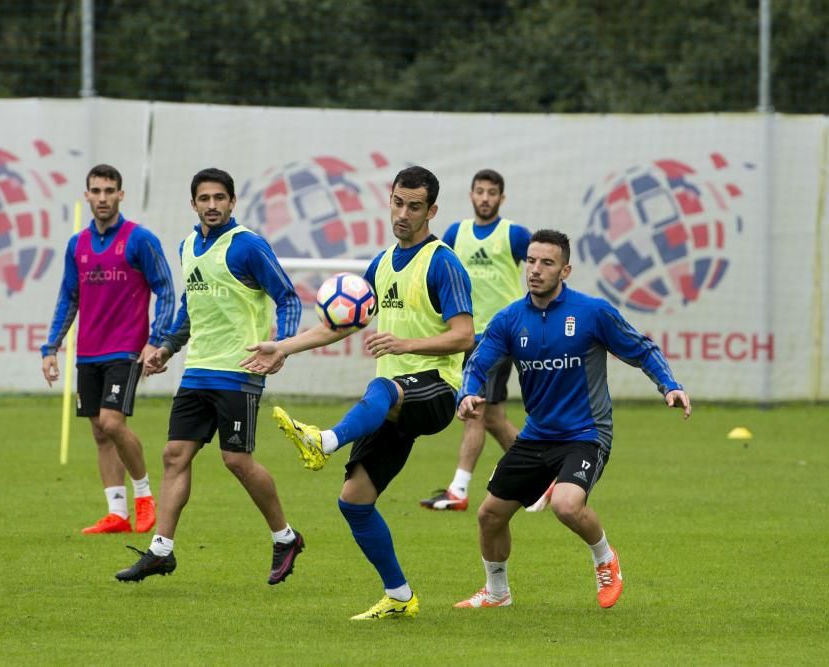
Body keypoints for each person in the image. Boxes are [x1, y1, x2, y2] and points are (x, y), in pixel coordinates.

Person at [241, 166, 475, 620]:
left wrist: (407, 345)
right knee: (354, 501)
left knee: (381, 387)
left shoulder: (443, 262)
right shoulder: (382, 264)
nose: (403, 214)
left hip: (436, 392)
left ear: (432, 210)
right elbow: (337, 325)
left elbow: (464, 335)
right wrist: (283, 347)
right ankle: (401, 597)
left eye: (414, 206)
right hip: (391, 404)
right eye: (397, 202)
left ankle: (324, 441)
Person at [452, 229, 691, 610]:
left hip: (586, 433)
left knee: (566, 504)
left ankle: (605, 560)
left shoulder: (592, 313)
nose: (535, 270)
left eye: (546, 263)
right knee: (489, 515)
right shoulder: (509, 319)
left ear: (565, 270)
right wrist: (467, 394)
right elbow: (479, 362)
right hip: (536, 436)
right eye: (530, 261)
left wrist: (669, 385)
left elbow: (641, 350)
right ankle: (497, 592)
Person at [115, 167, 306, 586]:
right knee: (173, 456)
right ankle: (161, 550)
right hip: (197, 370)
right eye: (205, 199)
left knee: (236, 460)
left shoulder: (247, 246)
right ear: (194, 204)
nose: (213, 205)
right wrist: (166, 347)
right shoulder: (187, 246)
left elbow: (287, 297)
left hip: (239, 371)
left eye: (220, 198)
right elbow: (189, 307)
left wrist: (284, 345)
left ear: (233, 202)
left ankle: (285, 537)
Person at [42, 164, 176, 535]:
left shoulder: (139, 239)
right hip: (88, 351)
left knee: (113, 422)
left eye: (109, 191)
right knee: (100, 433)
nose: (102, 198)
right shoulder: (77, 244)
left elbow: (166, 288)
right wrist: (50, 347)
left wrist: (157, 340)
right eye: (96, 191)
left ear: (121, 194)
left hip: (127, 349)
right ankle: (116, 513)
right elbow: (69, 298)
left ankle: (144, 495)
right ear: (86, 196)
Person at [419, 169, 535, 512]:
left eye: (492, 192)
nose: (485, 198)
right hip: (465, 334)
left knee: (474, 410)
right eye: (480, 192)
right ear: (471, 195)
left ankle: (458, 489)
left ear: (502, 198)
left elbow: (542, 268)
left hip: (500, 336)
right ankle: (546, 476)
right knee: (494, 417)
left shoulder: (514, 234)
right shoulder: (456, 233)